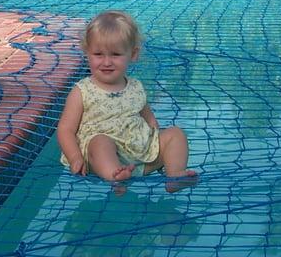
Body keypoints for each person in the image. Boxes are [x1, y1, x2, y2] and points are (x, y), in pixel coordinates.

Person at [57, 10, 197, 192]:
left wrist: (157, 144)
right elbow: (65, 129)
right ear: (87, 53)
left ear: (133, 54)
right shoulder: (81, 91)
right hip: (100, 160)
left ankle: (174, 175)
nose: (107, 62)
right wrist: (75, 157)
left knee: (176, 134)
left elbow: (149, 118)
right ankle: (116, 176)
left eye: (115, 54)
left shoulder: (136, 86)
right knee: (100, 143)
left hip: (141, 156)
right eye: (98, 54)